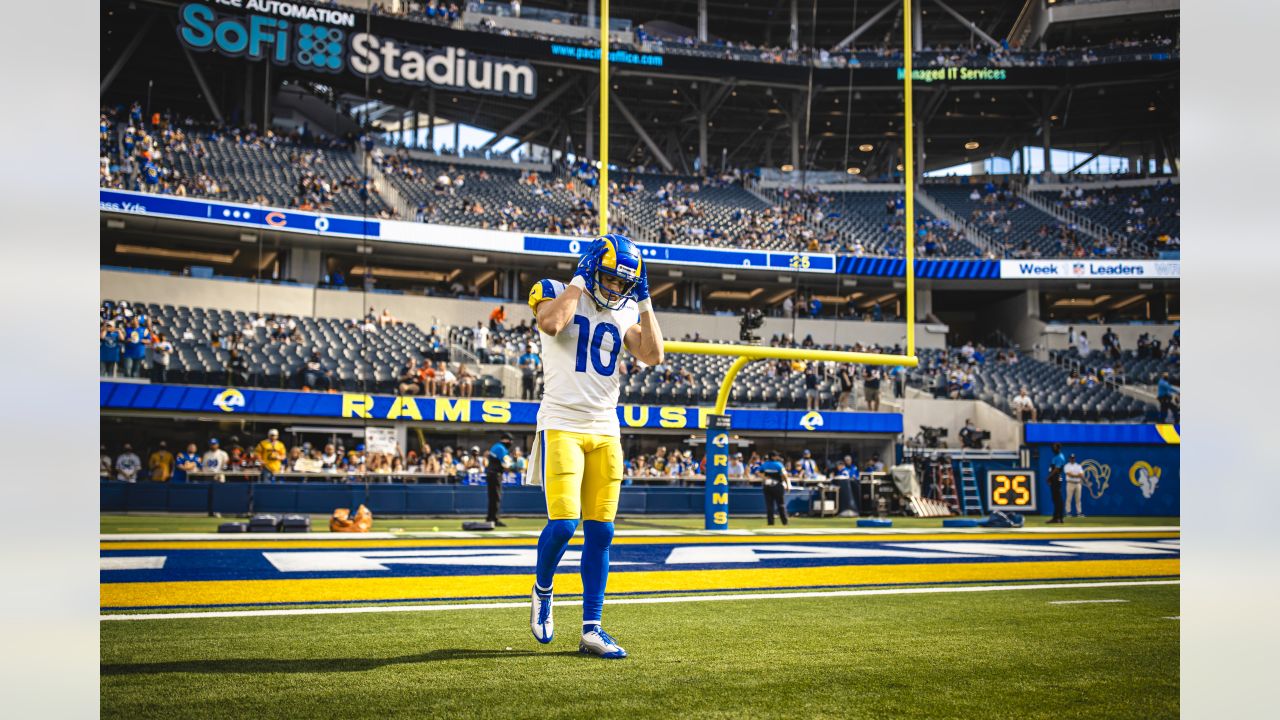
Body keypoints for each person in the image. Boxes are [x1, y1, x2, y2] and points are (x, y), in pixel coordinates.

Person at [526, 234, 664, 660]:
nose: (615, 289)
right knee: (565, 525)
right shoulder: (557, 291)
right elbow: (551, 324)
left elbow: (655, 355)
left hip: (606, 427)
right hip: (562, 423)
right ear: (591, 267)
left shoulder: (624, 307)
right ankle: (543, 589)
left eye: (624, 284)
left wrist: (643, 302)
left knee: (602, 531)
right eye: (610, 279)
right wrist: (581, 280)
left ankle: (592, 629)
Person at [486, 433, 514, 525]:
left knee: (493, 498)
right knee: (496, 497)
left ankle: (491, 518)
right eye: (510, 440)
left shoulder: (497, 446)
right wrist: (513, 464)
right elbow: (507, 463)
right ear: (505, 440)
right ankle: (494, 519)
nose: (511, 443)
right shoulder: (500, 448)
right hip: (495, 475)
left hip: (492, 474)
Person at [758, 451, 791, 526]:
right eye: (776, 456)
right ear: (772, 457)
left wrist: (765, 478)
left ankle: (770, 523)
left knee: (769, 505)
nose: (778, 457)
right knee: (781, 504)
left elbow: (758, 472)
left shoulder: (765, 464)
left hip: (767, 486)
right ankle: (784, 522)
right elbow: (784, 475)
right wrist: (788, 485)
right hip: (777, 486)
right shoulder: (778, 464)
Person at [1046, 443, 1066, 524]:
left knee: (1057, 498)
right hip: (1056, 478)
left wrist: (1049, 477)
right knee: (1056, 498)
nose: (1053, 449)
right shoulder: (1057, 457)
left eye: (1054, 447)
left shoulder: (1059, 457)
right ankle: (1059, 517)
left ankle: (1057, 517)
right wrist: (1050, 478)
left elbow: (1057, 469)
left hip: (1057, 477)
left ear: (1058, 448)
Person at [1063, 453, 1086, 518]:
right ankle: (1068, 512)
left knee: (1078, 499)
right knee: (1069, 498)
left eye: (1073, 458)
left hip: (1078, 484)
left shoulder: (1078, 466)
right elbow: (1068, 474)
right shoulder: (1067, 466)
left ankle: (1079, 513)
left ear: (1075, 458)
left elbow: (1081, 475)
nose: (1072, 459)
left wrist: (1074, 475)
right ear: (1069, 459)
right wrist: (1077, 475)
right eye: (1071, 458)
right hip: (1070, 483)